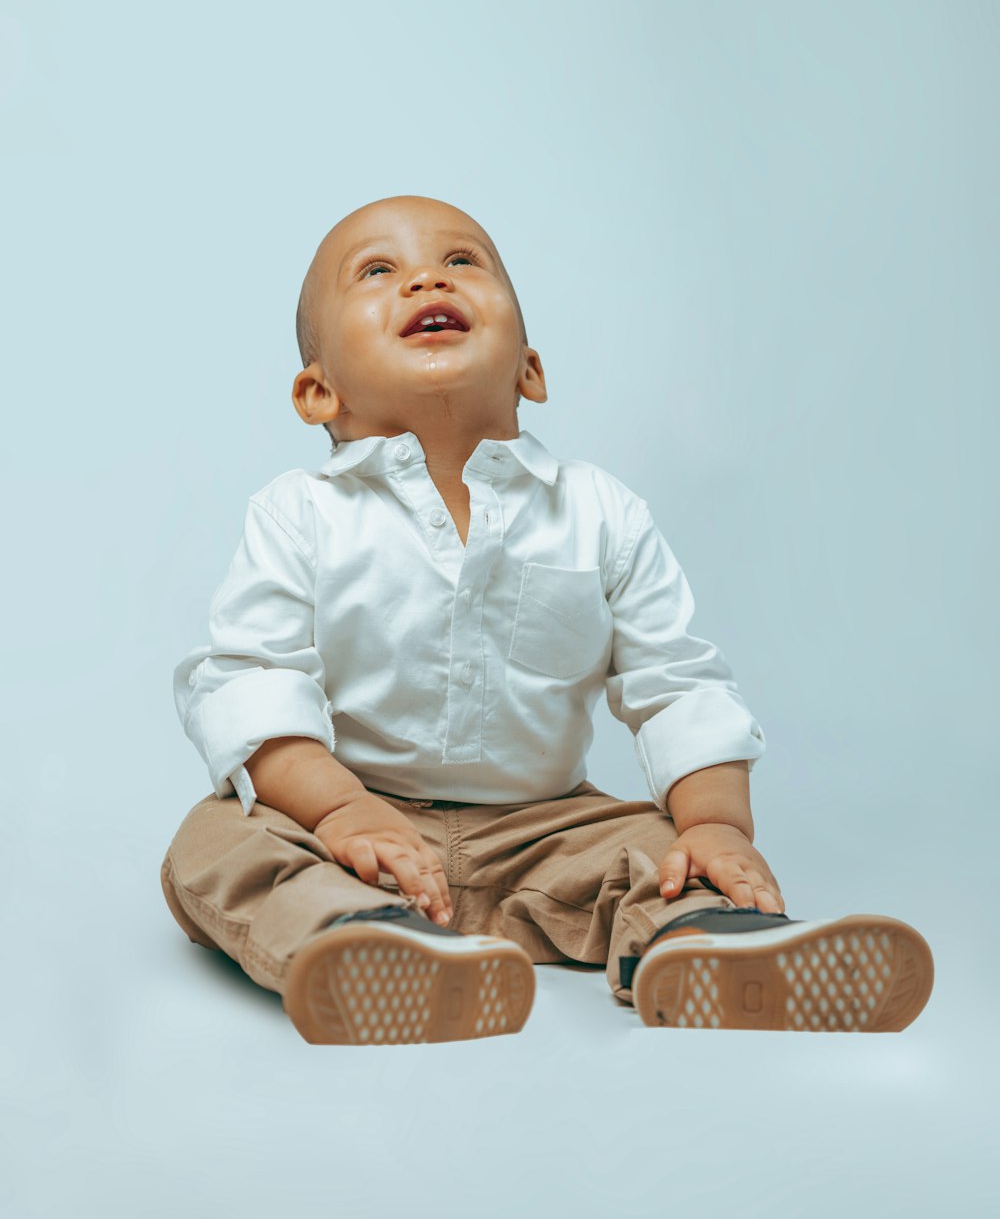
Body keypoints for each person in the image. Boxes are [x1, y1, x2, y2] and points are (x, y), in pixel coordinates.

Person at [161, 194, 934, 1044]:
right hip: (344, 819)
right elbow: (254, 682)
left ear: (529, 369)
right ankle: (360, 937)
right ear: (318, 392)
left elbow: (675, 680)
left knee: (656, 844)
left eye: (463, 263)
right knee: (216, 842)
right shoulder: (298, 512)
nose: (427, 277)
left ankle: (711, 941)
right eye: (377, 272)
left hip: (547, 829)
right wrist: (345, 814)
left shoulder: (599, 510)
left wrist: (715, 824)